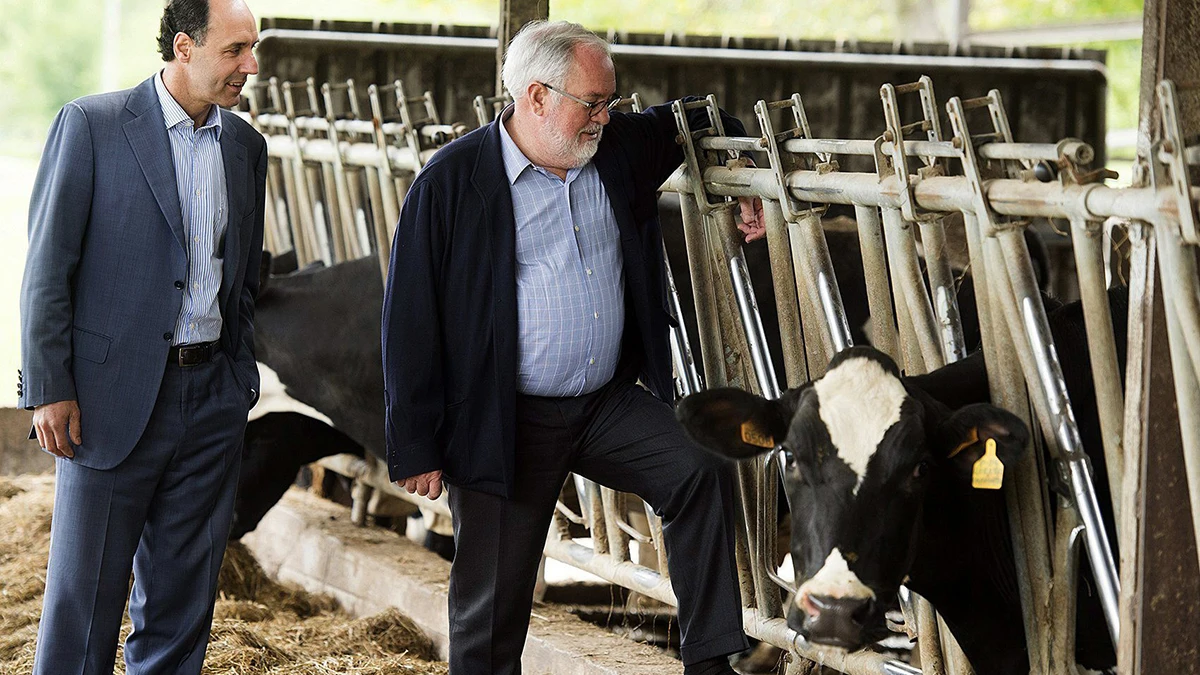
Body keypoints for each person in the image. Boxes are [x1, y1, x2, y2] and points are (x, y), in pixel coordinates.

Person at [383, 20, 764, 675]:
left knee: (697, 467)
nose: (606, 116)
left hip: (604, 403)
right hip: (506, 419)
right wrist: (415, 442)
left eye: (611, 101)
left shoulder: (615, 147)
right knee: (491, 606)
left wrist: (744, 165)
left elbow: (695, 113)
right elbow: (409, 317)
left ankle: (710, 661)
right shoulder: (451, 183)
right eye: (593, 102)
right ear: (534, 97)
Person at [18, 0, 265, 671]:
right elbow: (48, 267)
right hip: (107, 399)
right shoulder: (92, 125)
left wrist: (239, 375)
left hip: (213, 401)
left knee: (184, 604)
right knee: (84, 599)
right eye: (236, 49)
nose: (251, 64)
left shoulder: (246, 147)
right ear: (184, 47)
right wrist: (49, 387)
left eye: (253, 47)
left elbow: (244, 273)